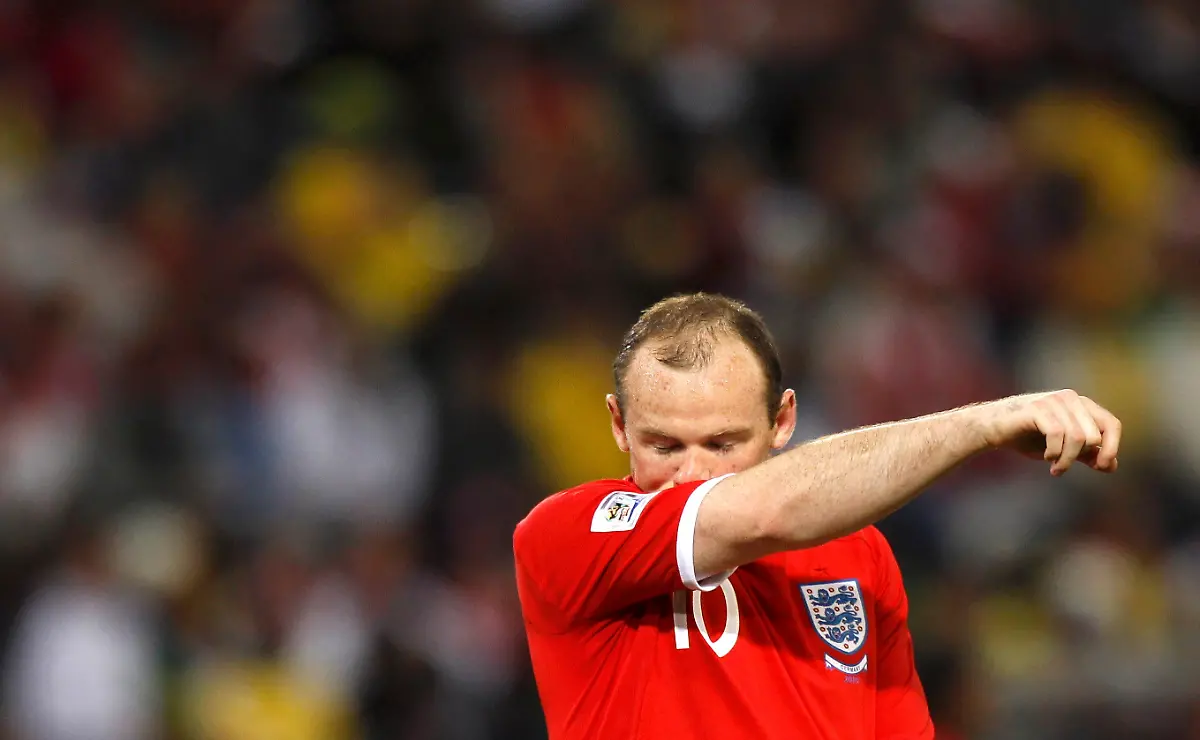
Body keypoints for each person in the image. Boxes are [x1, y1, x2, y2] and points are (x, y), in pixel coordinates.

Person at [513, 293, 1122, 739]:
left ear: (782, 421)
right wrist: (981, 423)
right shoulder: (568, 536)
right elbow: (759, 513)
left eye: (723, 444)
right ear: (619, 425)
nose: (693, 474)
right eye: (664, 446)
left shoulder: (859, 553)